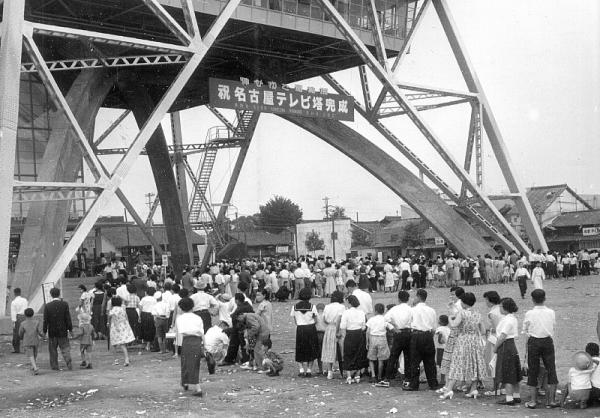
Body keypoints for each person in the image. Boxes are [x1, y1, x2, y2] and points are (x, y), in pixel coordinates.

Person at [439, 292, 487, 400]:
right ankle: (474, 388)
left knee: (457, 363)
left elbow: (453, 324)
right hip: (475, 341)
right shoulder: (477, 314)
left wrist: (451, 316)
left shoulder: (462, 313)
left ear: (464, 303)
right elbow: (483, 330)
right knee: (474, 364)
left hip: (463, 340)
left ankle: (449, 389)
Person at [522, 289, 559, 409]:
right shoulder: (551, 312)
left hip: (534, 341)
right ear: (545, 298)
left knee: (533, 370)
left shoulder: (529, 313)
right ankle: (551, 400)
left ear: (532, 300)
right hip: (547, 341)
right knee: (551, 369)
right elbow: (553, 326)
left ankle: (533, 401)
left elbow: (525, 330)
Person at [406, 289, 439, 391]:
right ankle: (433, 383)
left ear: (418, 297)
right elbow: (434, 327)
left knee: (414, 361)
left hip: (416, 335)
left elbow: (408, 323)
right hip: (428, 335)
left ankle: (413, 384)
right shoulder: (432, 310)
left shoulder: (413, 310)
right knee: (430, 361)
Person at [379, 290, 412, 387]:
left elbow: (385, 320)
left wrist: (393, 329)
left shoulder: (394, 309)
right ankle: (407, 379)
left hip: (398, 333)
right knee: (407, 357)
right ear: (408, 299)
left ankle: (387, 379)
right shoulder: (410, 309)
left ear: (399, 299)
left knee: (393, 356)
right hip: (408, 332)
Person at [493, 298, 522, 406]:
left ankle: (509, 398)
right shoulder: (512, 318)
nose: (500, 308)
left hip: (505, 346)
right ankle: (516, 395)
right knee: (514, 371)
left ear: (505, 308)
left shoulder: (507, 320)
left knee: (507, 372)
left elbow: (502, 336)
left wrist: (495, 348)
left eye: (501, 306)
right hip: (511, 345)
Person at [175, 297, 205, 397]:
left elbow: (181, 332)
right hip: (197, 341)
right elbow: (202, 332)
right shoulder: (198, 318)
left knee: (186, 363)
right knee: (194, 364)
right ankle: (186, 382)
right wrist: (204, 345)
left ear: (181, 308)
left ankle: (197, 387)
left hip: (187, 341)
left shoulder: (180, 319)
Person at [290, 288, 320, 377]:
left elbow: (295, 320)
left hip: (300, 328)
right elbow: (316, 320)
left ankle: (301, 369)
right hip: (310, 328)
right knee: (311, 349)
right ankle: (309, 370)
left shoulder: (294, 307)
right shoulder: (312, 307)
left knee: (300, 349)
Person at [43, 287, 73, 371]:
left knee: (53, 350)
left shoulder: (47, 306)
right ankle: (68, 361)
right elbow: (68, 318)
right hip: (63, 330)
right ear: (59, 294)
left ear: (51, 295)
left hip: (52, 331)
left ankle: (54, 366)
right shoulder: (64, 304)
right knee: (65, 348)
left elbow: (46, 320)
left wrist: (44, 331)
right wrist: (70, 329)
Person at [340, 294, 367, 384]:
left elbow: (343, 326)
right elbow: (363, 326)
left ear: (349, 302)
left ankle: (348, 376)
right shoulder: (361, 312)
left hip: (350, 333)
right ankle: (357, 375)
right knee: (359, 353)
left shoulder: (346, 312)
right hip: (359, 333)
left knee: (348, 354)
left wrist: (344, 337)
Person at [321, 290, 346, 380]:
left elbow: (323, 319)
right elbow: (340, 319)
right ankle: (342, 372)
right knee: (341, 350)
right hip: (338, 328)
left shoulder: (327, 307)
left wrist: (329, 324)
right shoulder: (341, 307)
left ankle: (330, 371)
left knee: (329, 349)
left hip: (329, 327)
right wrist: (338, 330)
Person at [366, 303, 391, 384]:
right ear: (383, 311)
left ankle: (373, 375)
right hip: (382, 339)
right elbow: (390, 327)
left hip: (373, 338)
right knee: (381, 359)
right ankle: (379, 376)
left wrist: (367, 342)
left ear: (375, 311)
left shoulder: (371, 319)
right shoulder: (384, 319)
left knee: (371, 358)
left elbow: (367, 332)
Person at [108, 296, 135, 366]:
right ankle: (126, 359)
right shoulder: (122, 308)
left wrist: (116, 327)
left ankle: (116, 360)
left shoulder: (113, 309)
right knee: (123, 344)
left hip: (115, 327)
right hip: (124, 325)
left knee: (114, 344)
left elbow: (113, 318)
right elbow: (126, 317)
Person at [18, 308, 44, 375]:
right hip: (35, 340)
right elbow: (40, 332)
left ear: (25, 315)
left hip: (27, 341)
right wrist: (43, 335)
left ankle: (35, 368)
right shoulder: (37, 322)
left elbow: (20, 333)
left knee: (30, 354)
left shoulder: (23, 323)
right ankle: (33, 366)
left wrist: (21, 338)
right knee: (34, 354)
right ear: (33, 314)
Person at [139, 287, 157, 351]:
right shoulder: (155, 299)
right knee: (151, 329)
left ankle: (147, 344)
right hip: (152, 315)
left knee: (144, 329)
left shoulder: (144, 299)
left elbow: (140, 307)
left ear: (147, 292)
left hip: (144, 314)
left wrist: (139, 316)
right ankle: (149, 344)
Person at [11, 287, 28, 354]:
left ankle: (17, 349)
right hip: (25, 317)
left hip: (18, 318)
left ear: (14, 293)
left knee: (16, 333)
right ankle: (26, 349)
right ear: (20, 293)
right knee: (25, 333)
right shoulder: (25, 300)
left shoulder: (14, 302)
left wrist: (13, 322)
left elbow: (13, 313)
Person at [434, 315, 450, 386]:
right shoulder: (448, 329)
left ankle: (442, 380)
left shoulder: (440, 328)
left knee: (441, 365)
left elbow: (439, 334)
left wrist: (440, 340)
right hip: (448, 348)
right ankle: (447, 379)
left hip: (441, 348)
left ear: (440, 321)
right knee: (447, 364)